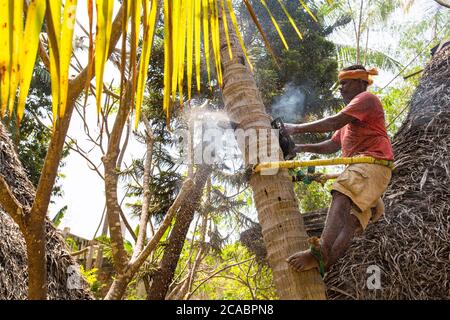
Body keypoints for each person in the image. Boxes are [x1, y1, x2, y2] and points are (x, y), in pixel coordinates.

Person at [284, 65, 394, 275]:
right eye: (340, 84)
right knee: (351, 222)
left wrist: (296, 128)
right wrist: (301, 147)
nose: (341, 88)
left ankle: (321, 249)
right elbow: (332, 145)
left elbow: (333, 121)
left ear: (362, 83)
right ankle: (325, 265)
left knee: (342, 192)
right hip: (374, 171)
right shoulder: (350, 121)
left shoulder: (366, 100)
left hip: (372, 164)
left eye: (345, 83)